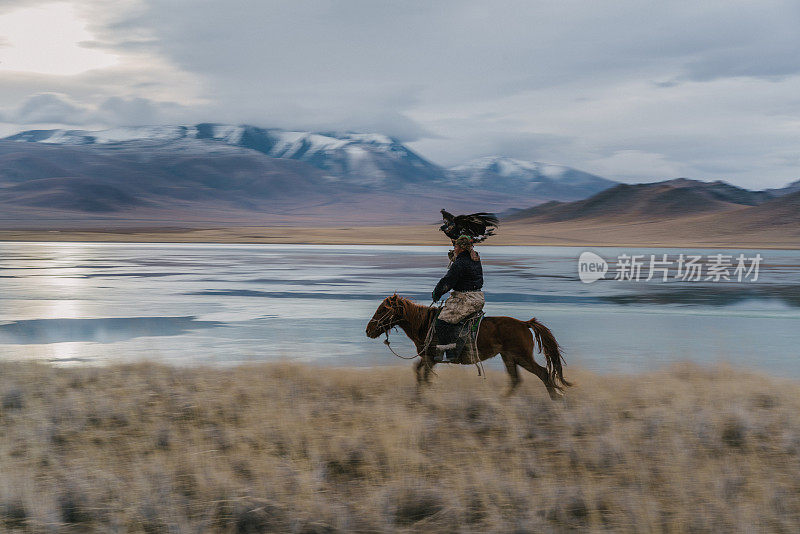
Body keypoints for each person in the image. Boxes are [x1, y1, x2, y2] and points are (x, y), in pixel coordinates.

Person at [431, 235, 484, 362]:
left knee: (442, 322)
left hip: (466, 299)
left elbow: (448, 282)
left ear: (460, 248)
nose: (453, 249)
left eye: (455, 246)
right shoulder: (475, 259)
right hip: (478, 297)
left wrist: (437, 293)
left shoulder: (460, 263)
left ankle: (450, 353)